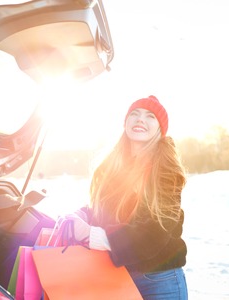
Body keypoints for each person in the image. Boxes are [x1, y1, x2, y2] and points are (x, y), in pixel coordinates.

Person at [67, 95, 188, 299]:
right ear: (126, 123)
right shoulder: (111, 167)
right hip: (117, 275)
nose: (140, 119)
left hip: (159, 281)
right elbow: (106, 209)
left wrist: (93, 236)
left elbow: (154, 233)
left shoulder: (166, 171)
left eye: (150, 116)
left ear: (160, 129)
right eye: (135, 114)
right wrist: (84, 214)